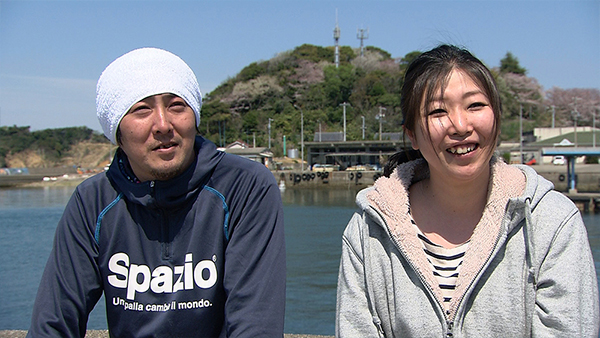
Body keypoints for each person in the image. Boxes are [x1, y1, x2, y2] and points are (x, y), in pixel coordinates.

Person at [336, 44, 599, 337]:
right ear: (411, 134)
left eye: (475, 105)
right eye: (437, 111)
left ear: (497, 118)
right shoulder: (367, 232)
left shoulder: (551, 223)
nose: (460, 125)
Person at [27, 47, 286, 337]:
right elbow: (53, 324)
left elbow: (256, 325)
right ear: (117, 131)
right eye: (141, 109)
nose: (163, 124)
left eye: (177, 105)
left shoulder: (245, 187)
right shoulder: (93, 201)